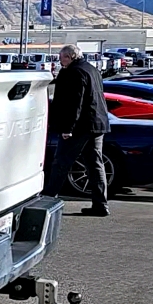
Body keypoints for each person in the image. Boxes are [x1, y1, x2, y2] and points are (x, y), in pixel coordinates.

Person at [43, 44, 110, 216]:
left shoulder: (73, 72)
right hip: (96, 124)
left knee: (61, 162)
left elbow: (74, 103)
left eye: (62, 58)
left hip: (80, 127)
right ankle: (100, 205)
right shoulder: (91, 70)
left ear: (71, 56)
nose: (60, 61)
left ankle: (48, 200)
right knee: (95, 165)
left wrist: (68, 128)